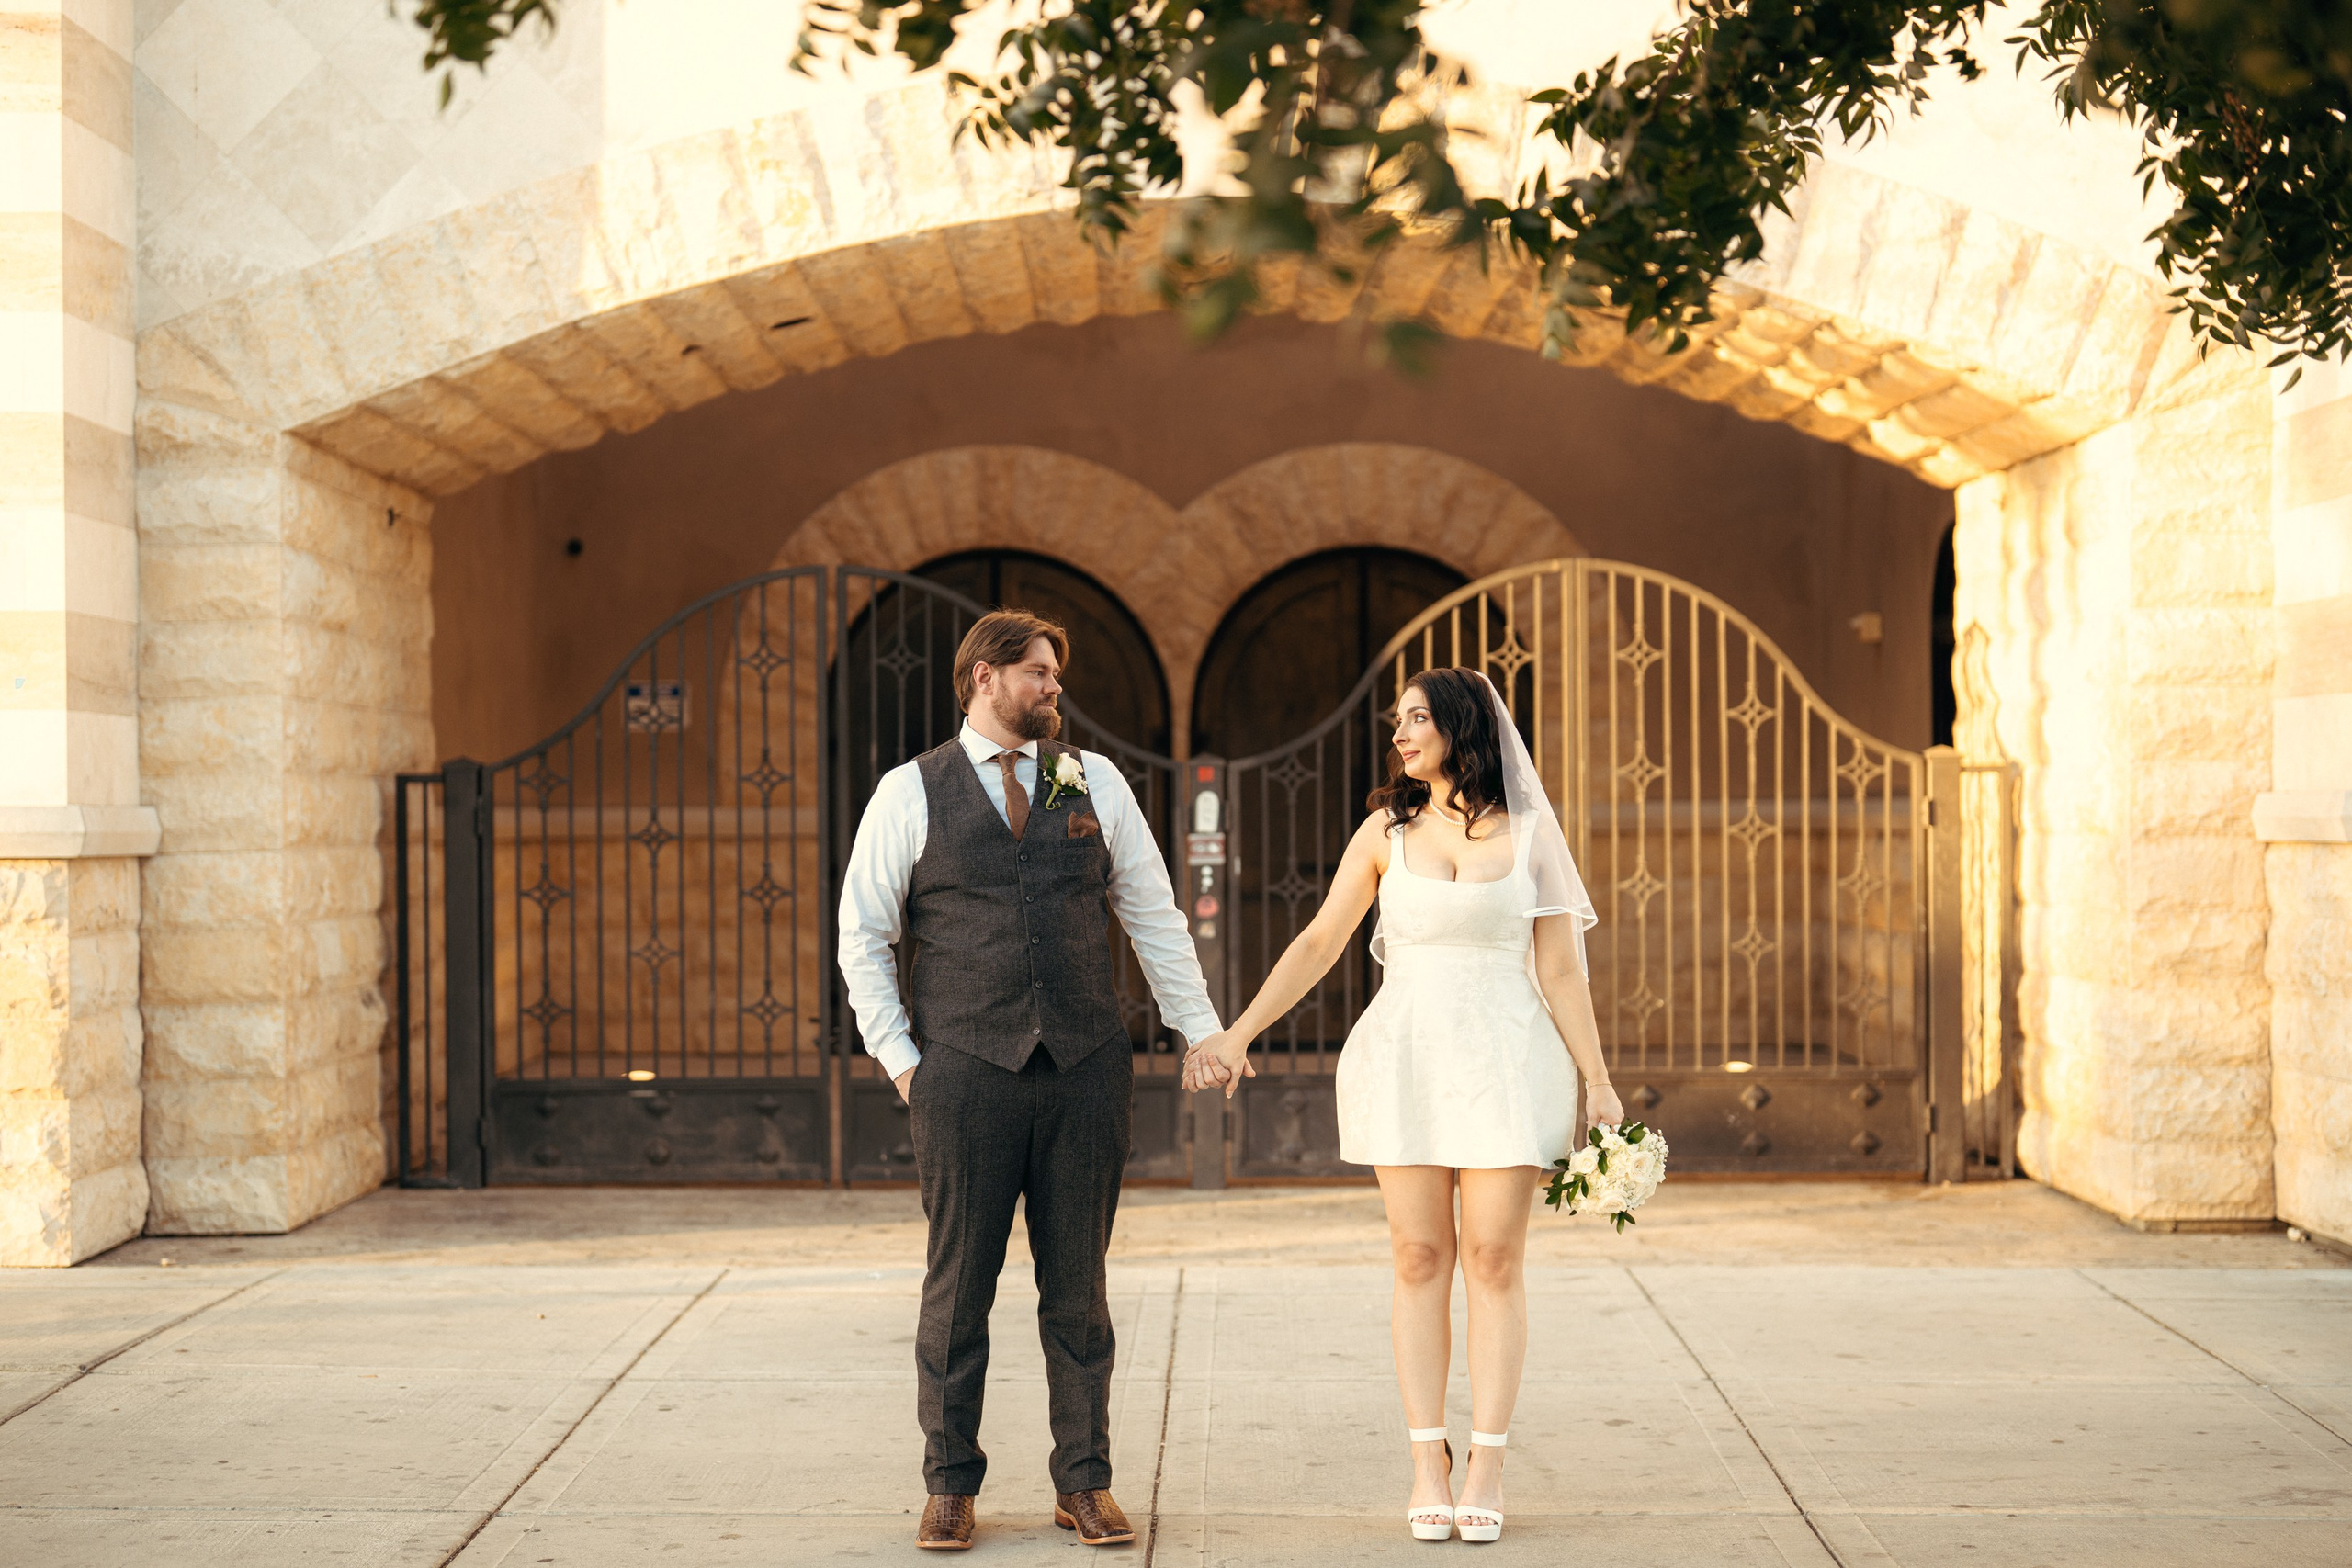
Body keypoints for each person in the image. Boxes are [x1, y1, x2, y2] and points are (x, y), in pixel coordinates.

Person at [1183, 666, 1616, 1544]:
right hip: (1408, 1057)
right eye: (1397, 722)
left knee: (1493, 1259)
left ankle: (1487, 1458)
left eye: (1417, 718)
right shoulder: (1386, 829)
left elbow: (1562, 970)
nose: (1401, 734)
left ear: (1462, 725)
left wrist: (1598, 1080)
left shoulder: (1533, 835)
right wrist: (1239, 1033)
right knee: (1420, 1255)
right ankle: (1429, 1459)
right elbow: (1319, 940)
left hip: (1509, 1056)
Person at [838, 608, 1221, 1551]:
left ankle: (1082, 1482)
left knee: (1079, 1293)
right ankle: (950, 1483)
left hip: (1086, 1066)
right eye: (1039, 673)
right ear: (983, 678)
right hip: (964, 1073)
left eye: (1054, 672)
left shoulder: (1093, 781)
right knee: (958, 1287)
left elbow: (1152, 913)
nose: (1054, 687)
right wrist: (902, 1063)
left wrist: (1200, 1028)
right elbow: (863, 934)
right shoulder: (908, 791)